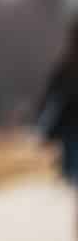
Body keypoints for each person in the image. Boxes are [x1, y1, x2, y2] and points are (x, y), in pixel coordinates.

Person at [37, 15, 78, 191]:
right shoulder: (66, 65)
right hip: (70, 123)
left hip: (69, 123)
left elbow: (51, 93)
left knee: (71, 169)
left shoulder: (66, 64)